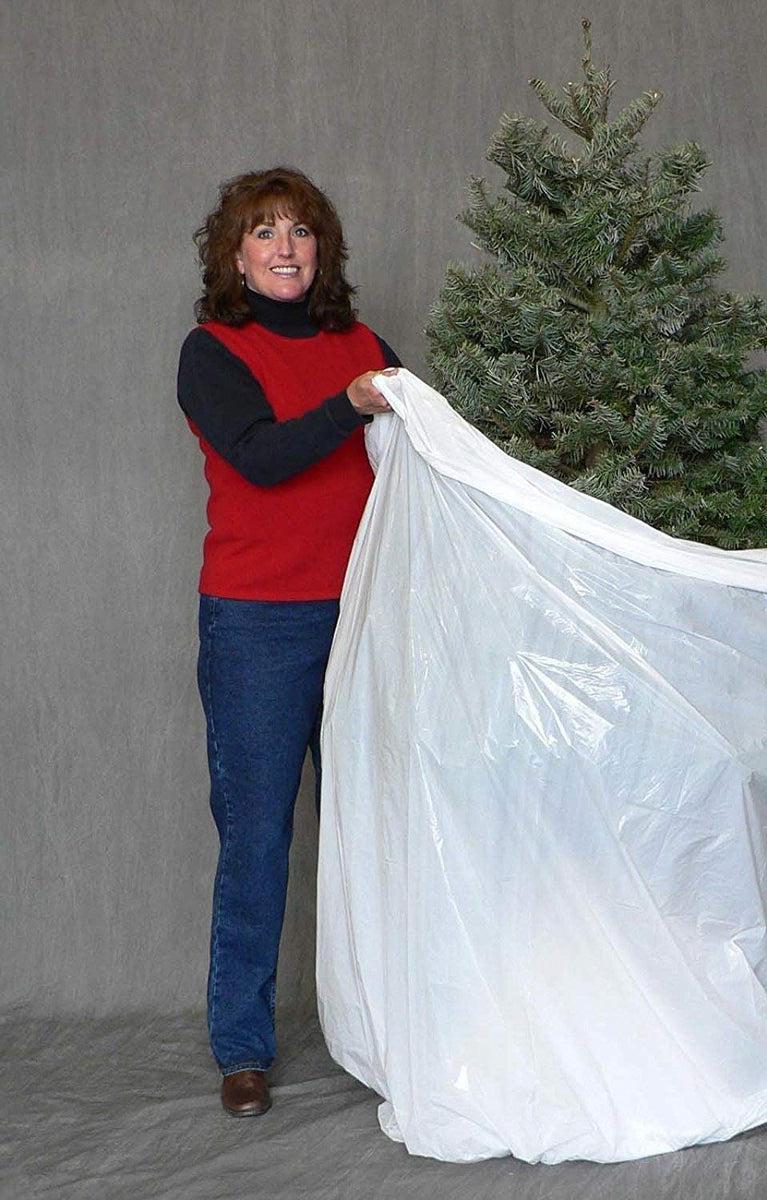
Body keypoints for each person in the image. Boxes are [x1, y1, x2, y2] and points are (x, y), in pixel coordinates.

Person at [177, 166, 401, 1118]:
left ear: (322, 251)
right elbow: (263, 458)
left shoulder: (366, 346)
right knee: (259, 836)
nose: (284, 248)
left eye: (300, 232)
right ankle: (243, 1047)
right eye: (264, 232)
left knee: (379, 826)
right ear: (236, 255)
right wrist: (350, 405)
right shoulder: (211, 350)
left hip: (366, 612)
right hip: (258, 622)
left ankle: (393, 1030)